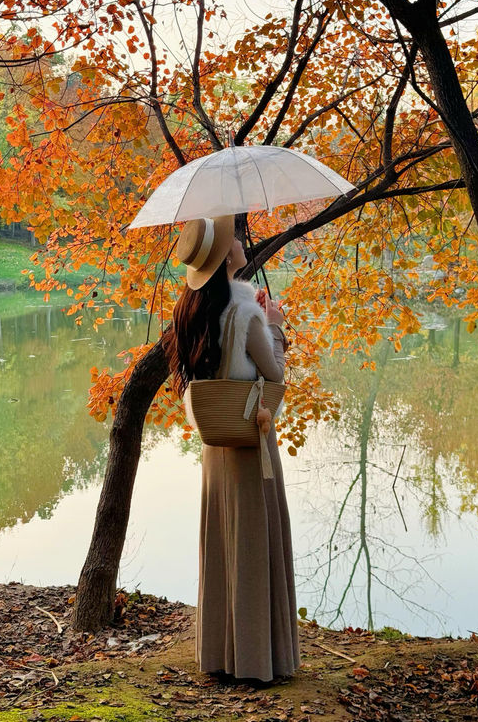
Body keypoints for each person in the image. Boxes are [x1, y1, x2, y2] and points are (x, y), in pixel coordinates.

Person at [164, 214, 300, 684]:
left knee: (222, 542)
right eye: (233, 240)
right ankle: (258, 659)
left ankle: (221, 655)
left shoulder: (192, 312)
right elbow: (275, 374)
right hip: (248, 442)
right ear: (225, 258)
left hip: (214, 446)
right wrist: (276, 325)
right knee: (253, 541)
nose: (241, 242)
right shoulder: (245, 313)